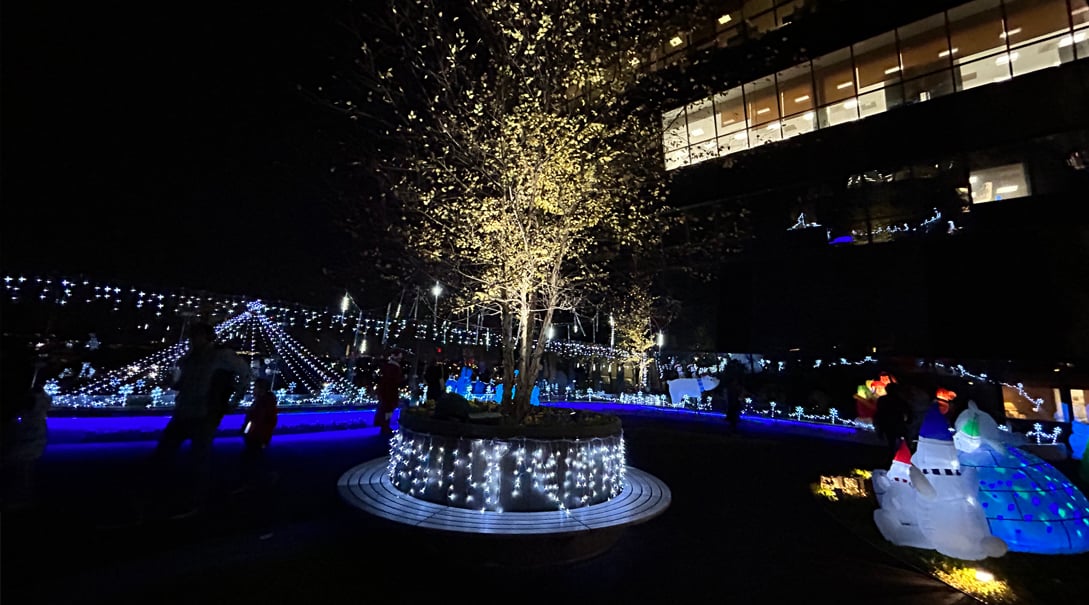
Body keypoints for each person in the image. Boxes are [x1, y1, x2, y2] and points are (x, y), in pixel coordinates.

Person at [148, 321, 252, 519]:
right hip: (183, 411)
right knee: (165, 452)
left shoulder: (220, 355)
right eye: (191, 336)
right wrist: (173, 383)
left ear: (207, 337)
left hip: (205, 414)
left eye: (197, 336)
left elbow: (245, 373)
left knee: (198, 459)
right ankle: (160, 493)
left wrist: (234, 401)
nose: (193, 340)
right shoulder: (190, 358)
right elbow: (183, 383)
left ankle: (196, 501)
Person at [1, 352, 52, 512]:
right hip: (23, 446)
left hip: (23, 446)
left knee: (21, 476)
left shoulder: (30, 399)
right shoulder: (30, 399)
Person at [235, 377, 278, 493]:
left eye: (256, 388)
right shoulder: (261, 401)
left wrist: (249, 431)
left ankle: (253, 482)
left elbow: (258, 420)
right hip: (255, 434)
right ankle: (263, 478)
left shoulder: (264, 402)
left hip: (257, 435)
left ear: (261, 389)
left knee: (250, 458)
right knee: (254, 457)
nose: (253, 390)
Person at [873, 381, 912, 458]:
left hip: (889, 423)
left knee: (892, 442)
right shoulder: (899, 401)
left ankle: (893, 456)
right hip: (894, 424)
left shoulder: (882, 400)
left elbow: (879, 412)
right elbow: (907, 411)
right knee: (899, 440)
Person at [374, 349, 404, 436]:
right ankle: (385, 425)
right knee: (388, 407)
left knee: (387, 407)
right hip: (390, 390)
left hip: (388, 390)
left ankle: (384, 425)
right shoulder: (393, 367)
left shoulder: (390, 366)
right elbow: (393, 380)